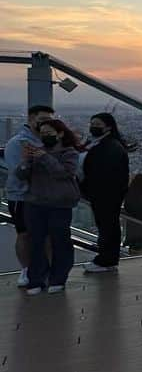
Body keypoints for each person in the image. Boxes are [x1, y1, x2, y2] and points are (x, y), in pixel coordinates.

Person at [17, 116, 81, 294]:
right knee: (36, 242)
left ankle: (58, 278)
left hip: (59, 205)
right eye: (42, 133)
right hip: (35, 203)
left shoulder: (69, 153)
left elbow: (64, 173)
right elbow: (21, 175)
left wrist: (44, 157)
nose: (45, 136)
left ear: (60, 134)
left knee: (60, 241)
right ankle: (36, 279)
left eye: (49, 133)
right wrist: (26, 162)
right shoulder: (36, 152)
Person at [4, 102, 56, 287]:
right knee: (24, 234)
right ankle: (26, 270)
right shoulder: (18, 143)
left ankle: (47, 269)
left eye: (49, 120)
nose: (45, 124)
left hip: (45, 196)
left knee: (48, 235)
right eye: (41, 119)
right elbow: (16, 172)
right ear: (30, 119)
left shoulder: (49, 141)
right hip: (23, 196)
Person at [81, 112, 129, 274]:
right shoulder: (108, 144)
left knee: (107, 226)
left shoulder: (108, 146)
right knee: (109, 226)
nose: (93, 127)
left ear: (108, 126)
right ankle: (108, 259)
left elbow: (102, 171)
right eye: (92, 123)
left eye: (97, 124)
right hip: (108, 193)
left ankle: (105, 260)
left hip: (105, 193)